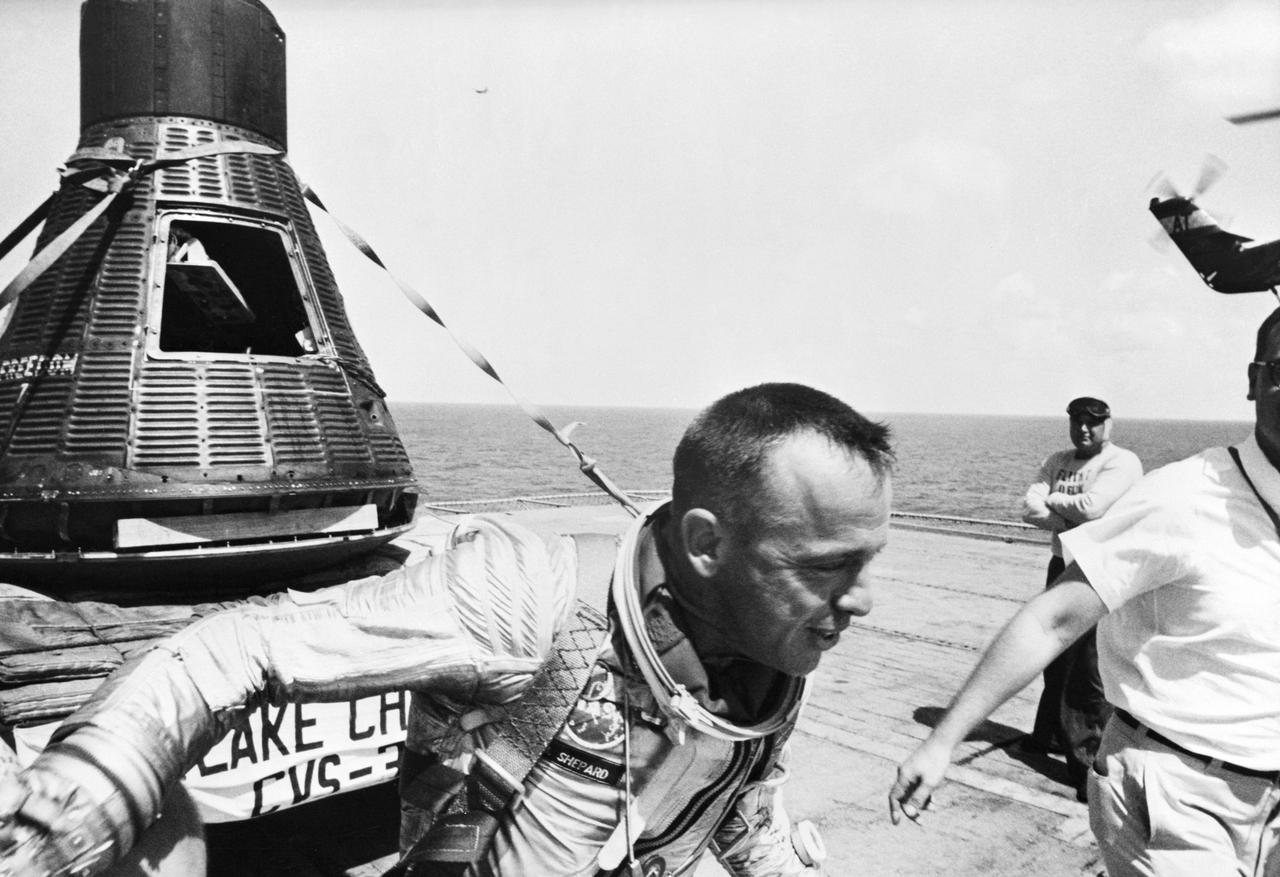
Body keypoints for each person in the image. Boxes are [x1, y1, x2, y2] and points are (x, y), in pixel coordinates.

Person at [0, 382, 894, 877]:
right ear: (706, 546)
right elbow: (226, 650)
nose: (858, 600)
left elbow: (735, 797)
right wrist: (74, 814)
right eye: (825, 567)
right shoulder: (523, 596)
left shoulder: (771, 641)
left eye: (864, 565)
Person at [889, 308, 1280, 877]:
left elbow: (1053, 506)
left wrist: (1052, 506)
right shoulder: (1184, 498)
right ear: (1252, 380)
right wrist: (942, 741)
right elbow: (1051, 619)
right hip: (1179, 794)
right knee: (1072, 684)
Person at [1019, 396, 1141, 799]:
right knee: (1053, 659)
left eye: (1093, 422)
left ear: (1108, 424)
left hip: (1099, 570)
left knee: (1087, 672)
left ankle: (1085, 765)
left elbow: (1093, 506)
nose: (1084, 429)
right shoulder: (1057, 459)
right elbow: (1028, 507)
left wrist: (1057, 506)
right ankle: (1047, 736)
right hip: (1061, 565)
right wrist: (1071, 518)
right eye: (1077, 422)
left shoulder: (1121, 463)